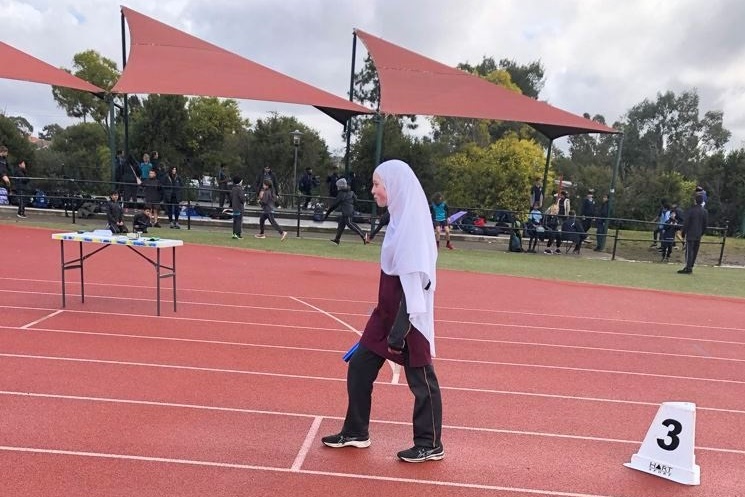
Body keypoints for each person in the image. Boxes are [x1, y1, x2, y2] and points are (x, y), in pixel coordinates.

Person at [321, 159, 444, 463]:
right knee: (360, 366)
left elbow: (416, 283)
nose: (372, 190)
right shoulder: (398, 220)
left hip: (408, 316)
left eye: (378, 184)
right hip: (385, 312)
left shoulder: (413, 227)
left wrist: (400, 329)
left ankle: (430, 443)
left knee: (422, 380)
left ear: (395, 187)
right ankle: (356, 431)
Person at [324, 178, 367, 245]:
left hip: (347, 212)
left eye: (338, 186)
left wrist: (327, 214)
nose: (337, 187)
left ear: (340, 186)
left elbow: (334, 205)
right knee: (341, 224)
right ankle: (337, 239)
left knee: (350, 224)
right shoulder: (351, 192)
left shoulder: (341, 194)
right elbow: (356, 201)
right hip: (349, 210)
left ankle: (363, 235)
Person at [678, 194, 708, 274]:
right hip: (698, 234)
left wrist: (683, 233)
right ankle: (690, 266)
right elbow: (705, 224)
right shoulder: (704, 211)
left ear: (695, 201)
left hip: (691, 233)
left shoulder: (691, 210)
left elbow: (686, 222)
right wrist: (702, 233)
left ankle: (688, 267)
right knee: (695, 251)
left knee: (689, 251)